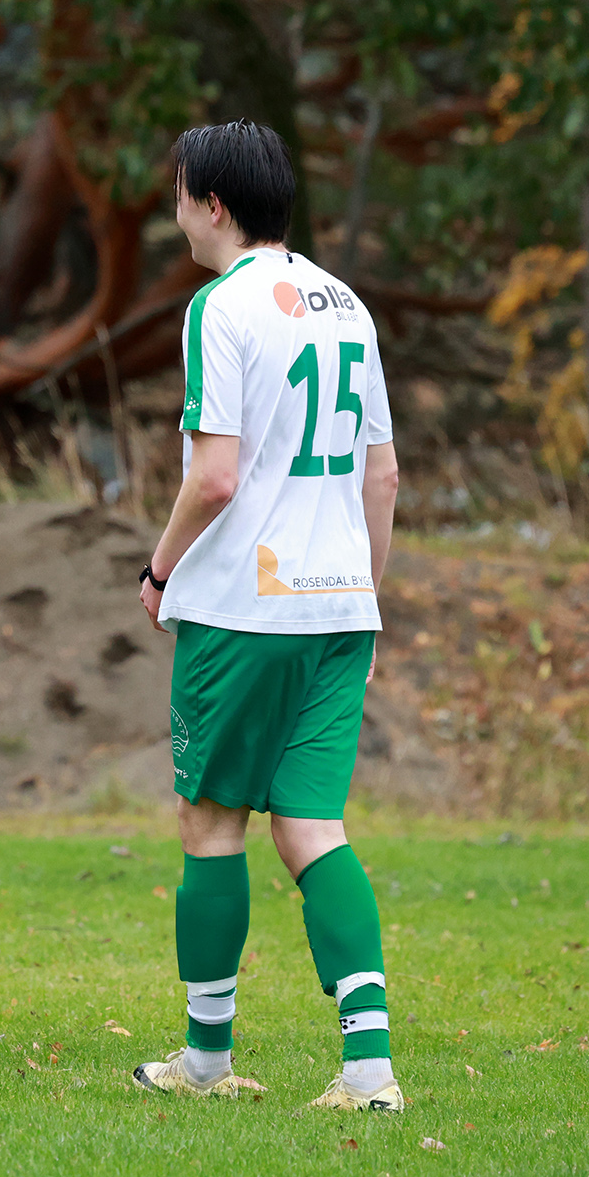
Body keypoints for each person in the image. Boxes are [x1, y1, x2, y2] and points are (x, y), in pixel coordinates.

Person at [131, 120, 403, 1111]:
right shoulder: (350, 305)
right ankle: (369, 1070)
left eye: (177, 196)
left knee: (212, 822)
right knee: (314, 827)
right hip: (340, 606)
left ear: (212, 204)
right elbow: (384, 474)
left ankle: (206, 1059)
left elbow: (212, 478)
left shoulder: (222, 306)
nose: (175, 215)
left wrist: (161, 572)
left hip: (249, 602)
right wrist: (365, 599)